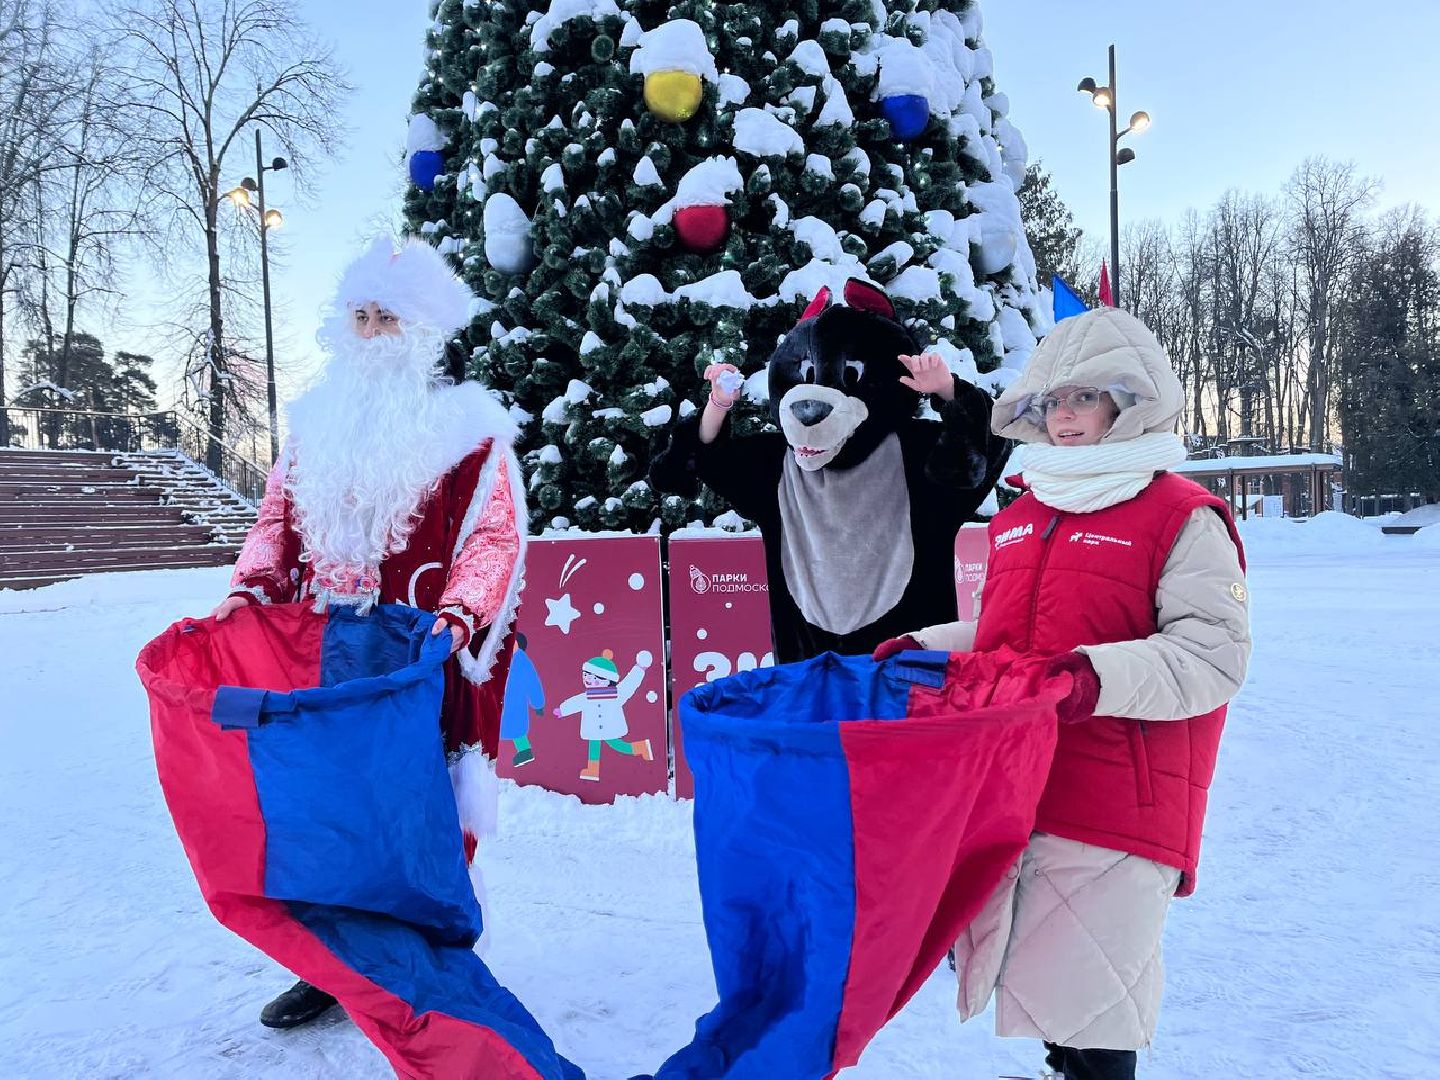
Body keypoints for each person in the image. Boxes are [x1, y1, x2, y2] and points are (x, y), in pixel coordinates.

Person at [876, 307, 1251, 1080]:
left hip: (1118, 798)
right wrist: (927, 647)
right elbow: (1005, 638)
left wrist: (1089, 677)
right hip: (1018, 786)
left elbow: (1211, 655)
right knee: (1048, 995)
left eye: (1085, 397)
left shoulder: (1182, 515)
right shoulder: (1021, 517)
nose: (1066, 416)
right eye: (1051, 401)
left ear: (1130, 403)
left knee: (1095, 1008)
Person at [210, 235, 527, 1030]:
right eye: (362, 316)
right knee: (324, 810)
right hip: (318, 649)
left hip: (413, 656)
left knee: (414, 810)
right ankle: (332, 966)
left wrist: (459, 615)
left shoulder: (469, 434)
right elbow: (276, 521)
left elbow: (494, 537)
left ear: (422, 331)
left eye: (389, 317)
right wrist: (251, 584)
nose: (373, 331)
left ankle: (428, 961)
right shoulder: (314, 426)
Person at [650, 279, 1008, 663]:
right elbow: (704, 460)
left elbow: (983, 451)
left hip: (906, 670)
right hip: (811, 669)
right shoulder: (776, 465)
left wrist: (948, 391)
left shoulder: (917, 453)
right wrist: (719, 403)